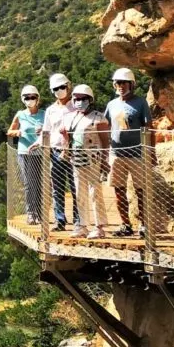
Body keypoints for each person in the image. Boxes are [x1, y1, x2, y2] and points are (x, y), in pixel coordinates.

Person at [104, 67, 151, 237]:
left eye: (124, 83)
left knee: (141, 191)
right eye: (117, 83)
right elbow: (106, 126)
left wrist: (150, 152)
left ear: (132, 84)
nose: (120, 86)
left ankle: (144, 225)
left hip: (137, 153)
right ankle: (125, 224)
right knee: (118, 190)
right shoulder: (111, 105)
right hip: (116, 154)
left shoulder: (140, 103)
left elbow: (147, 127)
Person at [30, 73, 78, 231]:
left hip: (74, 151)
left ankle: (78, 220)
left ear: (68, 86)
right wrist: (37, 143)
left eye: (62, 87)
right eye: (56, 89)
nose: (59, 91)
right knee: (57, 188)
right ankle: (60, 221)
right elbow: (46, 131)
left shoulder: (77, 106)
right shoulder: (50, 110)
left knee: (75, 186)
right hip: (56, 152)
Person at [63, 84, 110, 238]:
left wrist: (105, 159)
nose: (79, 102)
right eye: (76, 99)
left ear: (90, 100)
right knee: (79, 192)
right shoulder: (71, 116)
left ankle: (99, 226)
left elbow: (105, 140)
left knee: (95, 191)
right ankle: (82, 225)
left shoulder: (98, 117)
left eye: (83, 99)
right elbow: (67, 134)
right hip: (76, 158)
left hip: (93, 159)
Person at [6, 84, 45, 224]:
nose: (30, 99)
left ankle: (40, 214)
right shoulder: (20, 115)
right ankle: (30, 213)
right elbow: (9, 131)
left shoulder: (44, 114)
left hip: (39, 152)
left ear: (37, 99)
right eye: (27, 97)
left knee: (38, 183)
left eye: (33, 97)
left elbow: (51, 129)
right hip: (24, 152)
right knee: (28, 183)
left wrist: (43, 132)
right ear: (23, 99)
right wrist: (18, 132)